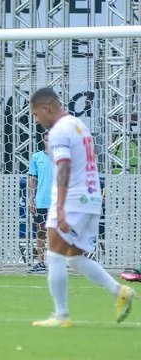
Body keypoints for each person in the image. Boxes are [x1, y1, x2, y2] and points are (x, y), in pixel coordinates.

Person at [29, 87, 134, 327]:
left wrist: (62, 206)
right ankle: (119, 291)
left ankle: (61, 315)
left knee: (54, 255)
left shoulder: (58, 131)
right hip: (91, 197)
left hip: (73, 199)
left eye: (36, 114)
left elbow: (64, 167)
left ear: (47, 108)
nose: (36, 120)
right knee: (73, 257)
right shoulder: (78, 124)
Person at [27, 133, 53, 274]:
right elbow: (33, 179)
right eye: (47, 140)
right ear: (43, 140)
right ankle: (41, 262)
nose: (49, 142)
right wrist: (31, 199)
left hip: (58, 202)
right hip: (42, 200)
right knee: (41, 232)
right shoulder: (37, 157)